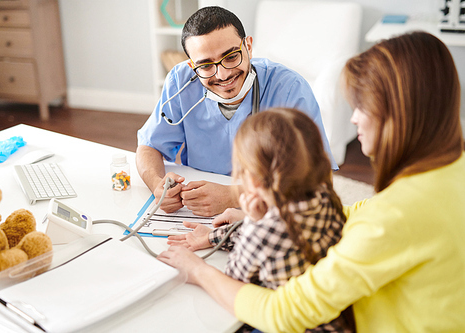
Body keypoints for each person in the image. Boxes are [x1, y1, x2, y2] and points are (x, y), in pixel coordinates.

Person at [157, 31, 465, 332]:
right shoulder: (449, 171)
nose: (354, 118)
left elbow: (284, 313)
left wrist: (197, 270)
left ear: (401, 114)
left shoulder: (399, 216)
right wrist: (268, 219)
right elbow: (364, 213)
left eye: (362, 106)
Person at [136, 6, 337, 217]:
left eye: (231, 57)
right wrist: (158, 187)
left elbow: (320, 179)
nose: (222, 74)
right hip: (197, 209)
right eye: (205, 66)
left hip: (268, 210)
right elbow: (149, 146)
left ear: (248, 46)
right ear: (192, 65)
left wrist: (234, 196)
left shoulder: (289, 88)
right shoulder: (181, 81)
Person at [167, 108, 354, 332]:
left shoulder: (262, 231)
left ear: (253, 180)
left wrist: (193, 266)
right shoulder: (323, 195)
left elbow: (234, 284)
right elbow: (278, 234)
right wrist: (214, 236)